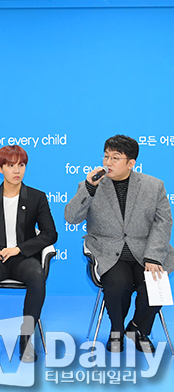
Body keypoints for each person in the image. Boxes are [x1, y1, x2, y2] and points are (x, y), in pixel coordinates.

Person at [65, 135, 174, 353]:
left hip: (145, 252)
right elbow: (71, 217)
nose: (108, 162)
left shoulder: (154, 186)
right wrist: (89, 188)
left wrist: (153, 256)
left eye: (115, 158)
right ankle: (116, 331)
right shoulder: (91, 186)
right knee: (118, 285)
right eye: (106, 156)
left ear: (131, 163)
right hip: (107, 252)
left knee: (155, 286)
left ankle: (137, 329)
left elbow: (164, 222)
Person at [0, 145, 57, 363]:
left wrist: (20, 249)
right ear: (0, 168)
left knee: (37, 275)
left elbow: (50, 233)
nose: (17, 170)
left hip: (23, 258)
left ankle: (26, 337)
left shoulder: (37, 197)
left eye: (21, 165)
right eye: (11, 165)